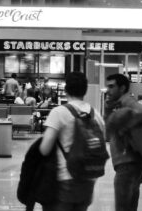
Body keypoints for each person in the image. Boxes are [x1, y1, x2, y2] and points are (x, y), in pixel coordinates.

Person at [39, 72, 106, 211]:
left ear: (66, 89)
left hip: (65, 179)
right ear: (85, 90)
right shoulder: (96, 114)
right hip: (88, 179)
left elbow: (44, 149)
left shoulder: (59, 112)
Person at [104, 73, 142, 211]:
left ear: (122, 88)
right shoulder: (117, 105)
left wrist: (124, 126)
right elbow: (107, 135)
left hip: (127, 165)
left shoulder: (126, 101)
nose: (108, 90)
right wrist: (108, 111)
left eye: (112, 86)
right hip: (133, 164)